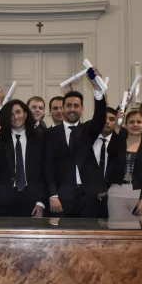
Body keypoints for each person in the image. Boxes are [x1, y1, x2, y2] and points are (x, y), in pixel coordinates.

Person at [44, 68, 108, 218]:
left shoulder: (88, 130)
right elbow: (48, 166)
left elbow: (100, 116)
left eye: (76, 106)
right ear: (63, 108)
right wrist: (53, 195)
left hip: (89, 197)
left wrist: (97, 88)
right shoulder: (50, 133)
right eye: (69, 105)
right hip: (62, 197)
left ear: (82, 109)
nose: (72, 109)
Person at [0, 100, 46, 217]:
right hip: (3, 200)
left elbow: (45, 170)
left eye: (18, 112)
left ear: (25, 114)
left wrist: (41, 201)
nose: (15, 117)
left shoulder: (40, 136)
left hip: (32, 198)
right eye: (11, 114)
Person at [105, 110, 142, 222]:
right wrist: (117, 126)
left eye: (139, 122)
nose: (135, 125)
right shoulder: (118, 144)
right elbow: (110, 150)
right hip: (117, 192)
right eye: (131, 122)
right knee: (118, 231)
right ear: (125, 125)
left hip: (140, 193)